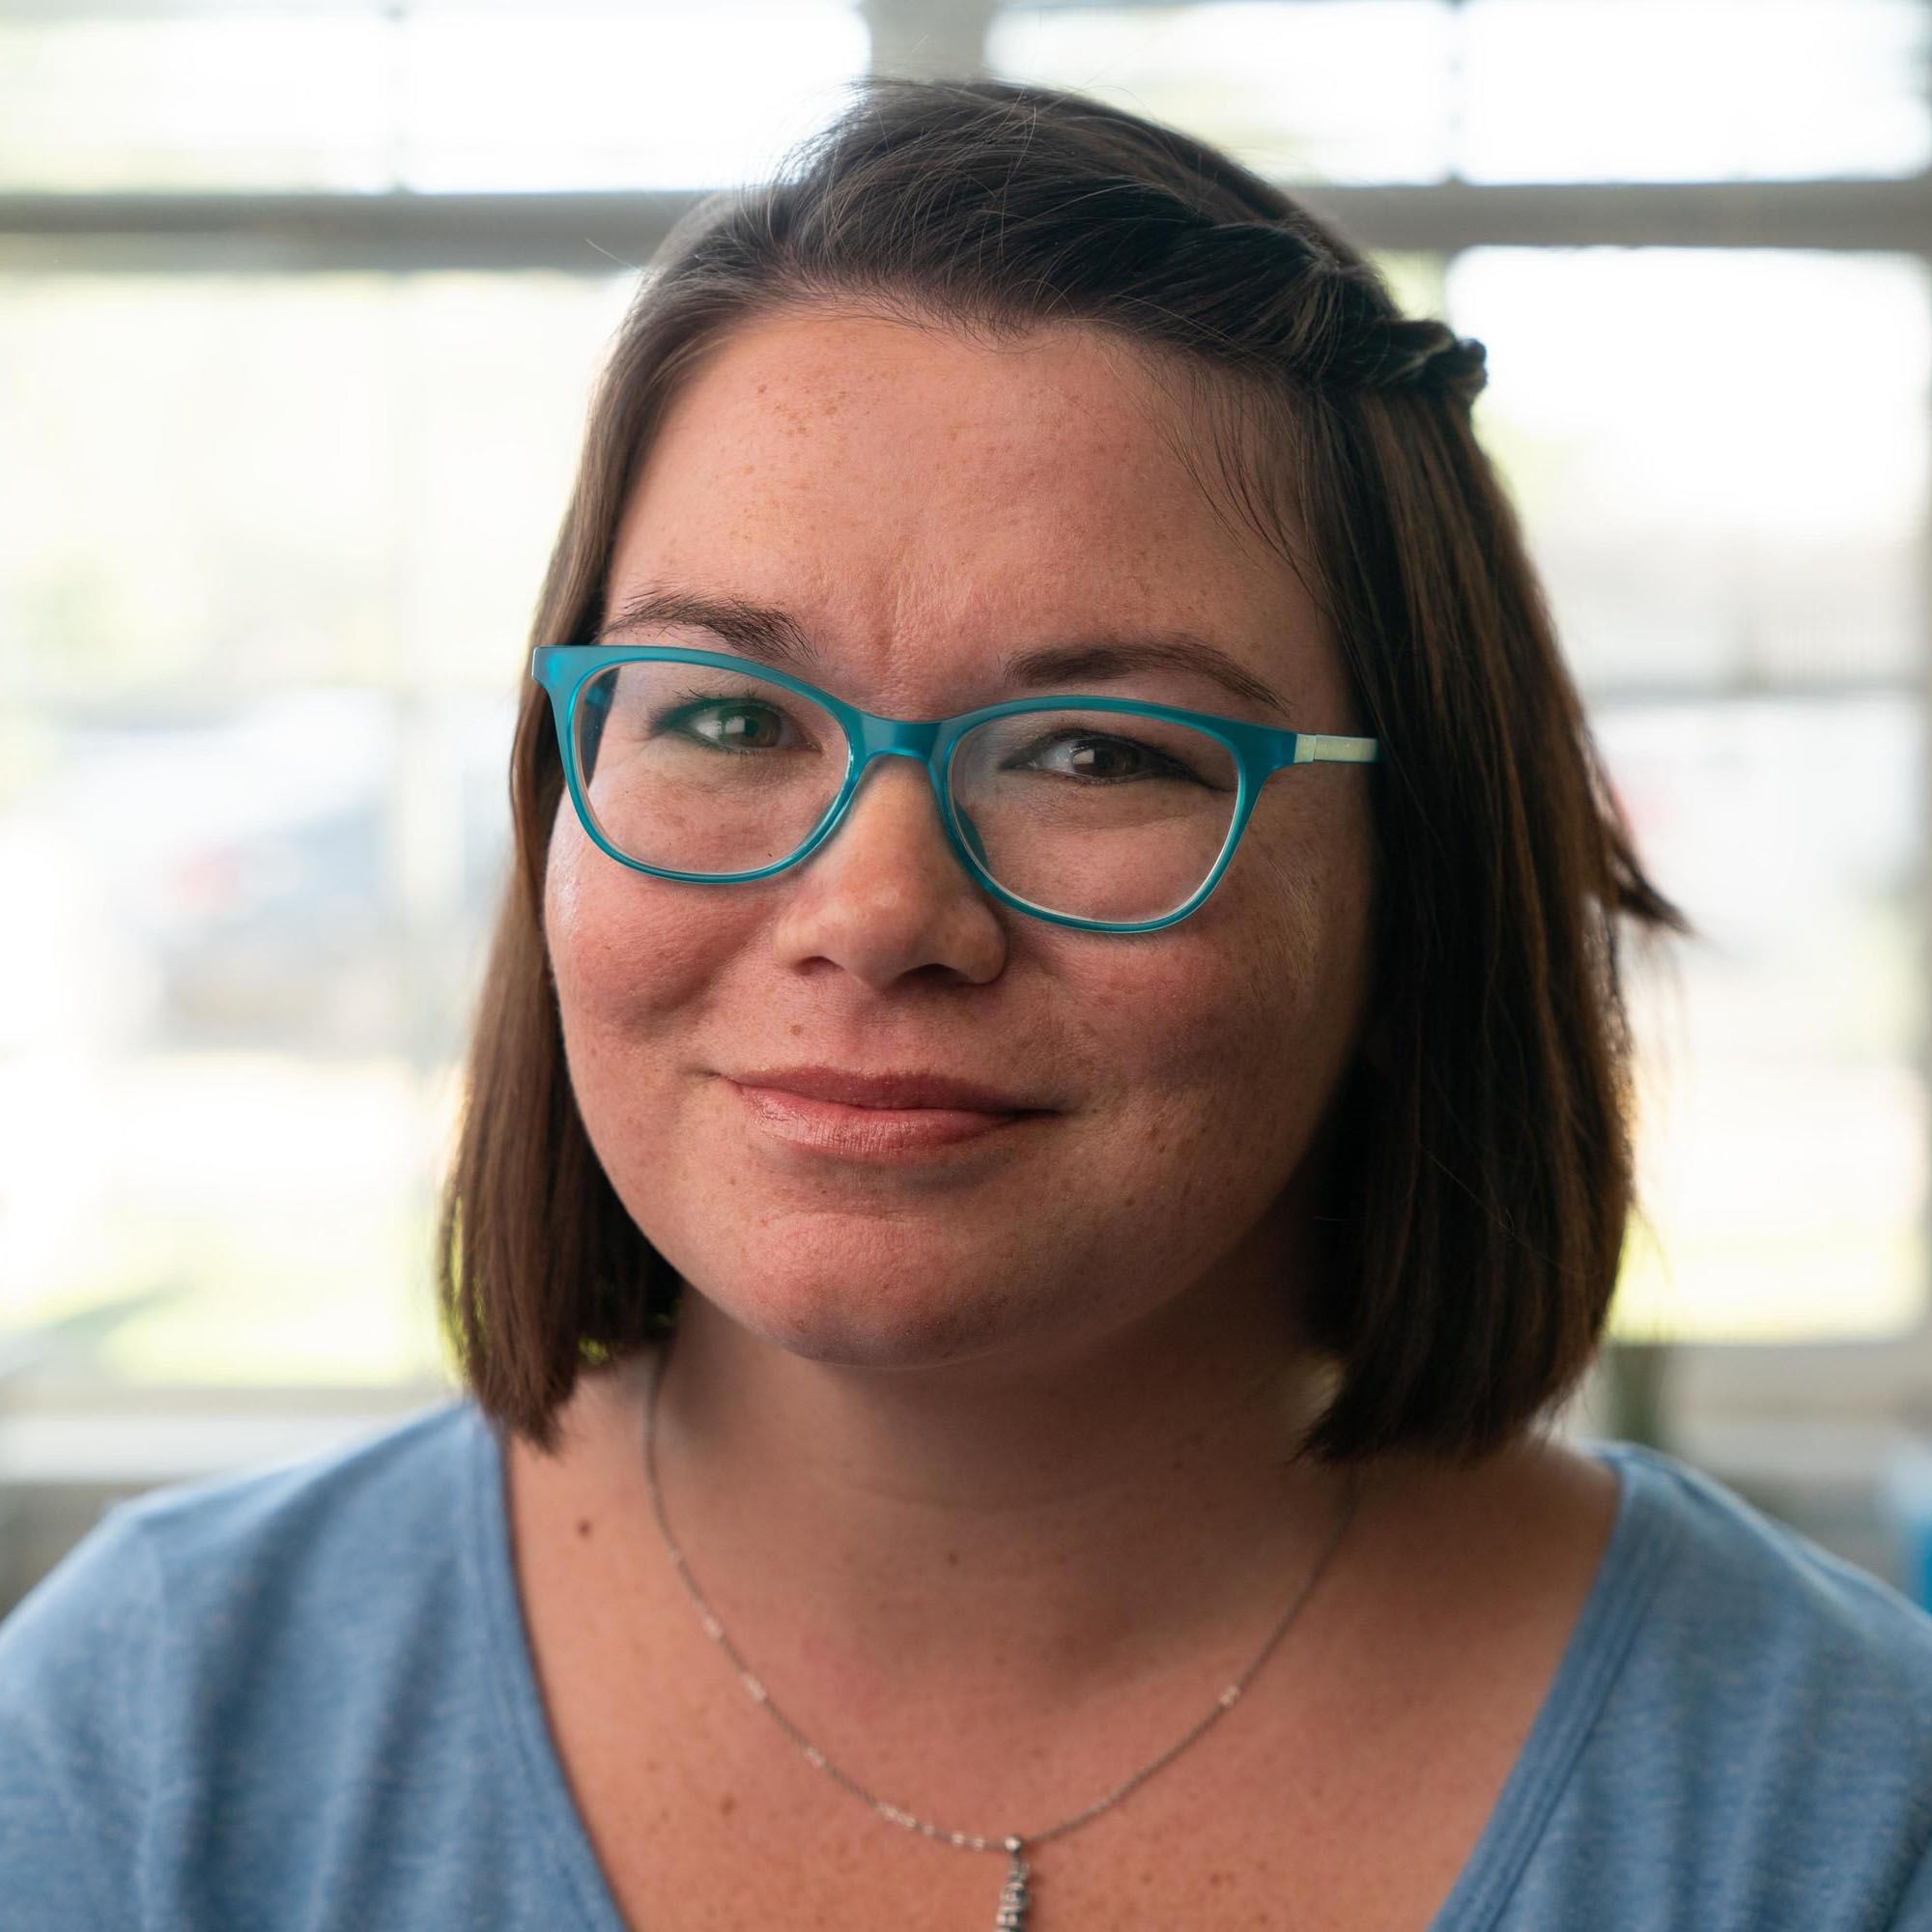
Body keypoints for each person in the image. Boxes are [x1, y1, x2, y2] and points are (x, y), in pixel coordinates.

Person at [3, 72, 1930, 1932]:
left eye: (1096, 750)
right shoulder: (149, 1733)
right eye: (730, 714)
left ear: (1413, 872)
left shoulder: (1844, 1800)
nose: (876, 912)